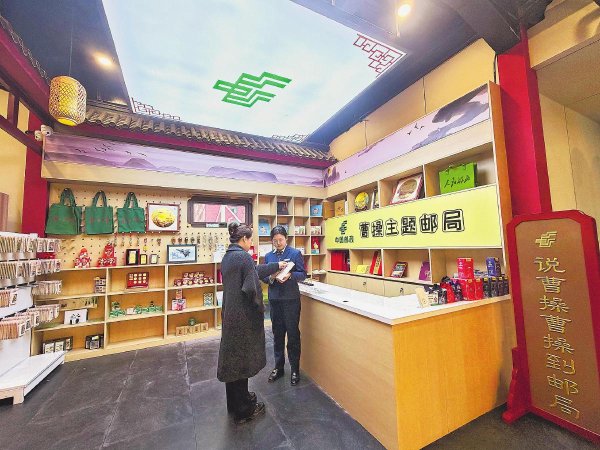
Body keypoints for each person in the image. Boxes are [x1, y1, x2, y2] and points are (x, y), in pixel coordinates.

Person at [217, 222, 286, 424]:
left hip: (230, 315)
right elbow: (252, 289)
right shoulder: (244, 257)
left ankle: (235, 402)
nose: (251, 243)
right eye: (250, 240)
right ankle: (245, 410)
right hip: (243, 318)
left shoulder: (228, 256)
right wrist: (260, 309)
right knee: (242, 362)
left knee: (233, 362)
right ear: (244, 239)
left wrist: (277, 265)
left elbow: (254, 271)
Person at [262, 225, 307, 386]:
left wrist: (290, 275)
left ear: (286, 239)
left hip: (291, 300)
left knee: (293, 335)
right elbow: (264, 276)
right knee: (277, 335)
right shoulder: (268, 256)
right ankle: (278, 367)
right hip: (275, 300)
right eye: (275, 241)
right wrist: (272, 277)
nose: (278, 243)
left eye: (280, 240)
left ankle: (295, 369)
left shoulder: (294, 253)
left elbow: (303, 274)